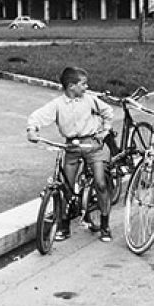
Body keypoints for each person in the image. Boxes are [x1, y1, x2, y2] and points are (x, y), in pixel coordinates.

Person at [27, 66, 115, 242]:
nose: (86, 87)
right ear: (71, 86)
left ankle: (105, 225)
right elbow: (38, 116)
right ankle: (63, 226)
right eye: (83, 84)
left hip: (92, 145)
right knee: (66, 187)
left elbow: (108, 112)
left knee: (101, 183)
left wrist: (104, 131)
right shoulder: (58, 104)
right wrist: (32, 130)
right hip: (72, 147)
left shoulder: (90, 100)